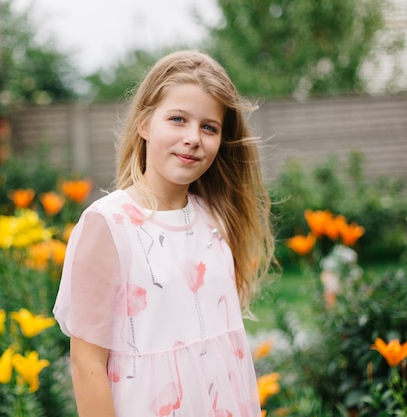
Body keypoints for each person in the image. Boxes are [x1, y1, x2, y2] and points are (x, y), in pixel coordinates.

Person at [53, 50, 275, 417]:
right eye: (177, 119)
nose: (193, 138)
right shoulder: (109, 224)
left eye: (209, 127)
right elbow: (86, 363)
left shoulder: (215, 218)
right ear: (144, 124)